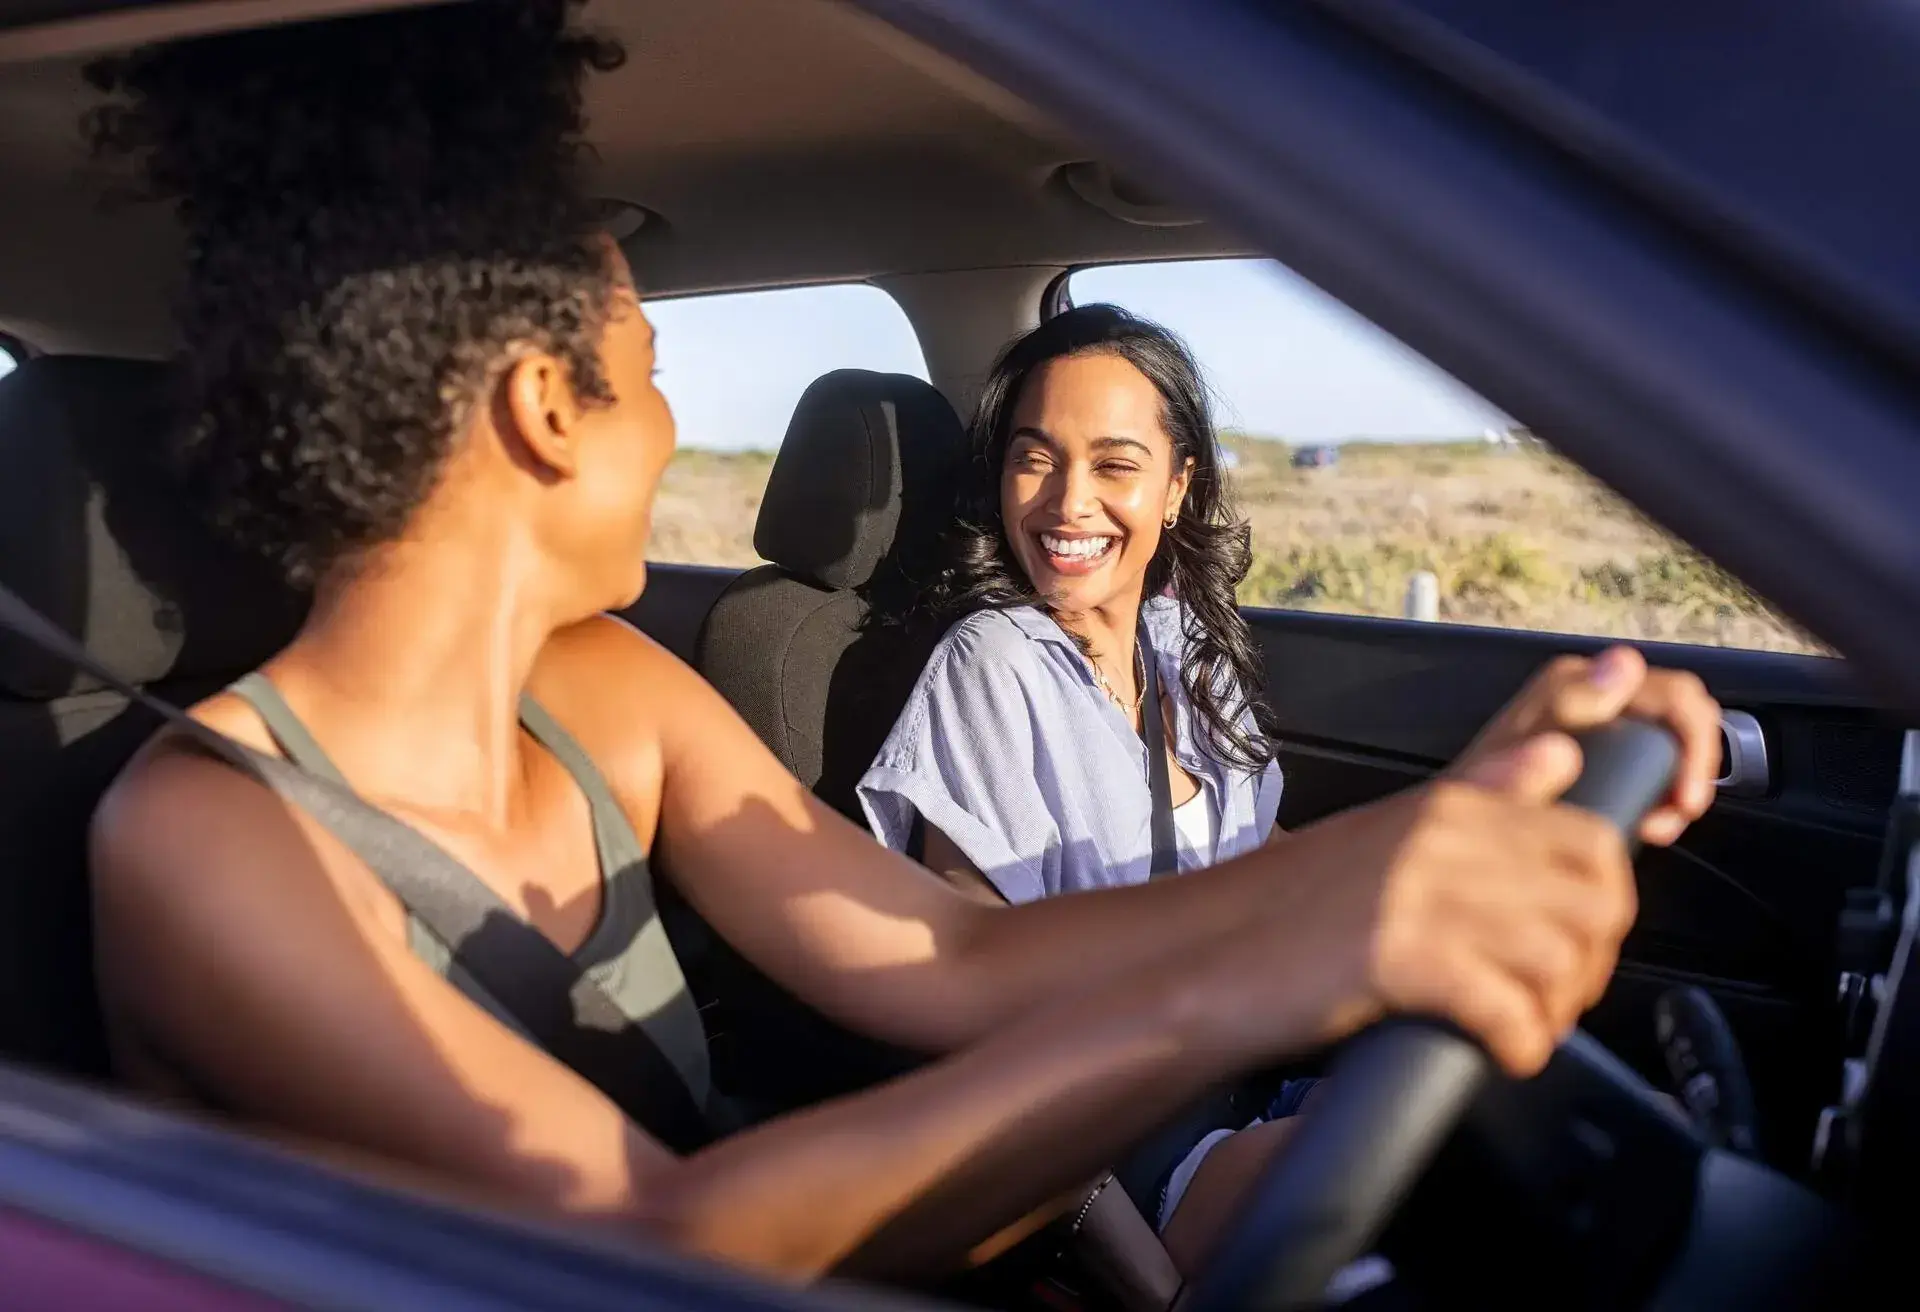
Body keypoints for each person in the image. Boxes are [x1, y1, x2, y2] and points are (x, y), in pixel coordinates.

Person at [82, 0, 1718, 1291]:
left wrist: (1432, 836)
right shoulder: (208, 834)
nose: (668, 427)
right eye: (648, 371)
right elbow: (648, 1245)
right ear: (539, 410)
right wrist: (1243, 987)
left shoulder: (603, 692)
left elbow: (957, 958)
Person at [857, 306, 1719, 1271]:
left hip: (1265, 1071)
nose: (1067, 502)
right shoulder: (989, 666)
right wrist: (1137, 1281)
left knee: (1602, 1131)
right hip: (1130, 1156)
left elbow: (1265, 875)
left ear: (1177, 487)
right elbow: (979, 1039)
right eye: (1034, 458)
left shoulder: (1184, 647)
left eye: (1114, 464)